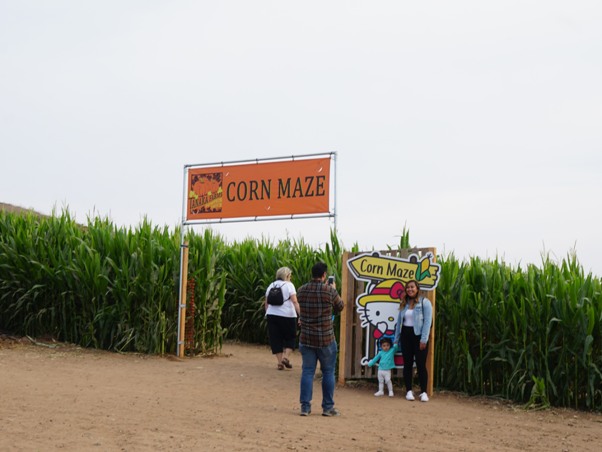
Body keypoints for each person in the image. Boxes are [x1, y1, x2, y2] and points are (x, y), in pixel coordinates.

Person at [296, 262, 345, 417]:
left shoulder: (301, 290)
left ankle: (305, 407)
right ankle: (327, 407)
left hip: (307, 337)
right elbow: (340, 306)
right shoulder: (329, 291)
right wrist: (334, 290)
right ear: (324, 275)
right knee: (328, 372)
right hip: (325, 338)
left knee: (307, 372)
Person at [393, 279, 433, 402]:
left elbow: (428, 322)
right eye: (408, 288)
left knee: (421, 365)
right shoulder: (403, 303)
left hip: (419, 336)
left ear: (417, 289)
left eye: (412, 287)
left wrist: (424, 339)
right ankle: (409, 391)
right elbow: (399, 322)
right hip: (406, 336)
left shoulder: (424, 303)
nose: (410, 289)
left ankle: (423, 392)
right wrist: (396, 340)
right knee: (408, 364)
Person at [264, 267, 300, 370]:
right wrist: (300, 315)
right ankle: (285, 357)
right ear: (287, 276)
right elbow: (294, 301)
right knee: (291, 337)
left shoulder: (271, 285)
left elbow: (266, 303)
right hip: (287, 315)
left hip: (272, 315)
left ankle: (279, 362)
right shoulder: (289, 285)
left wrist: (267, 313)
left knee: (275, 338)